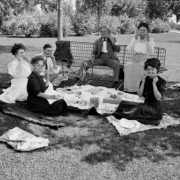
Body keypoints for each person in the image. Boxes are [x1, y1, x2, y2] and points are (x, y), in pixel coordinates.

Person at [113, 58, 166, 126]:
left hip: (155, 109)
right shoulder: (145, 79)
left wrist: (154, 84)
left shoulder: (161, 81)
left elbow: (158, 98)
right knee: (125, 103)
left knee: (136, 109)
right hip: (146, 105)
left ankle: (155, 120)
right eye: (148, 69)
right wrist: (143, 82)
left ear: (157, 70)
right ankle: (119, 113)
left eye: (152, 69)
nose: (150, 71)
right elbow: (140, 95)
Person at [124, 22, 155, 93]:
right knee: (127, 66)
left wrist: (147, 41)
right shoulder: (134, 38)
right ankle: (130, 88)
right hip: (135, 57)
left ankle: (140, 88)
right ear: (138, 31)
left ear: (147, 31)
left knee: (141, 67)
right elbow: (128, 48)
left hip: (144, 57)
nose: (142, 31)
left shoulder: (150, 39)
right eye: (141, 30)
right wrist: (135, 39)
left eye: (144, 30)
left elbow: (151, 51)